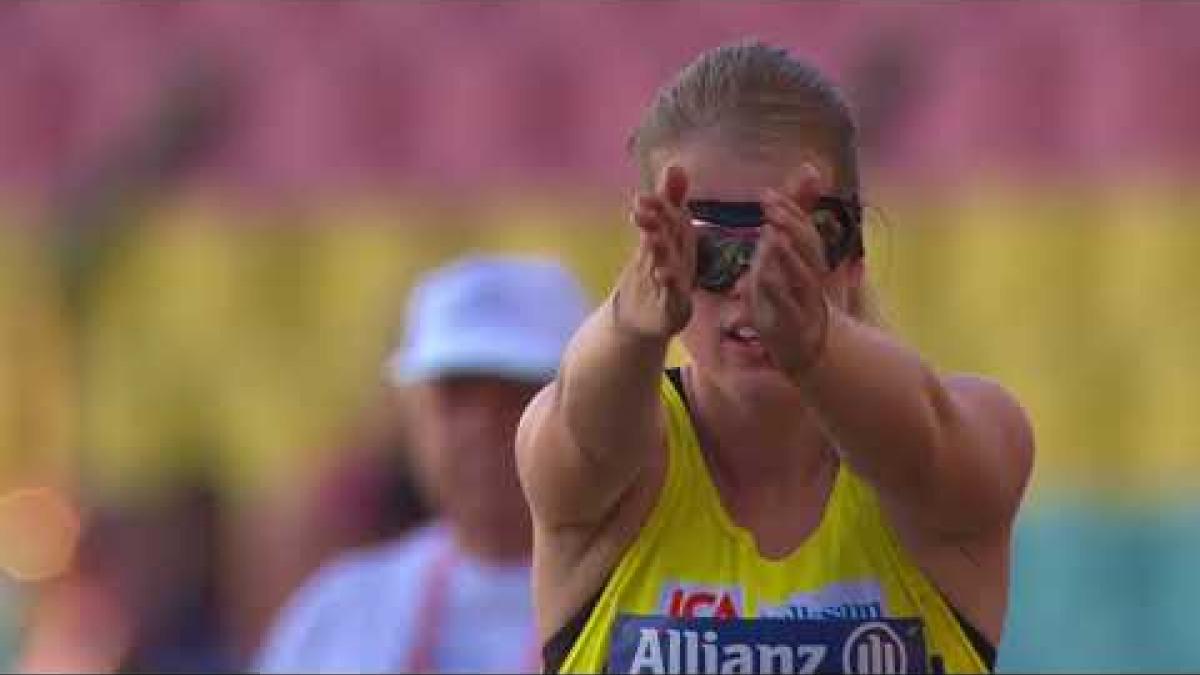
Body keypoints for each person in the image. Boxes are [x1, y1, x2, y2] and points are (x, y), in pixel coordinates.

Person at [517, 40, 1034, 674]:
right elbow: (583, 433)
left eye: (796, 244)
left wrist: (817, 347)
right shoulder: (620, 466)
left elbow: (921, 449)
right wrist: (631, 325)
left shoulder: (978, 440)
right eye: (710, 250)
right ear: (657, 257)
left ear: (853, 256)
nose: (749, 285)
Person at [257, 255, 591, 673]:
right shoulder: (341, 613)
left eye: (516, 394)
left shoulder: (655, 602)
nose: (481, 427)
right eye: (454, 395)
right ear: (408, 414)